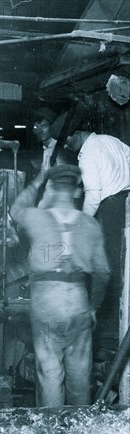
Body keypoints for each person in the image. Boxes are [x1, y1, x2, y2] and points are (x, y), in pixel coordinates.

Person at [10, 165, 110, 407]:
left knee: (50, 367)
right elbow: (103, 273)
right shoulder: (90, 224)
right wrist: (93, 308)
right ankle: (78, 433)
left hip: (47, 303)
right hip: (78, 300)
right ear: (77, 192)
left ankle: (51, 430)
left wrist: (37, 182)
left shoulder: (37, 218)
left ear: (52, 188)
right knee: (79, 371)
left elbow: (16, 210)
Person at [65, 129, 130, 323]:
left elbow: (93, 196)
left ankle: (108, 317)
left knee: (110, 264)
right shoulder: (110, 139)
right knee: (123, 262)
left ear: (76, 133)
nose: (66, 147)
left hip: (111, 208)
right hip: (126, 200)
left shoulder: (88, 155)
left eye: (66, 142)